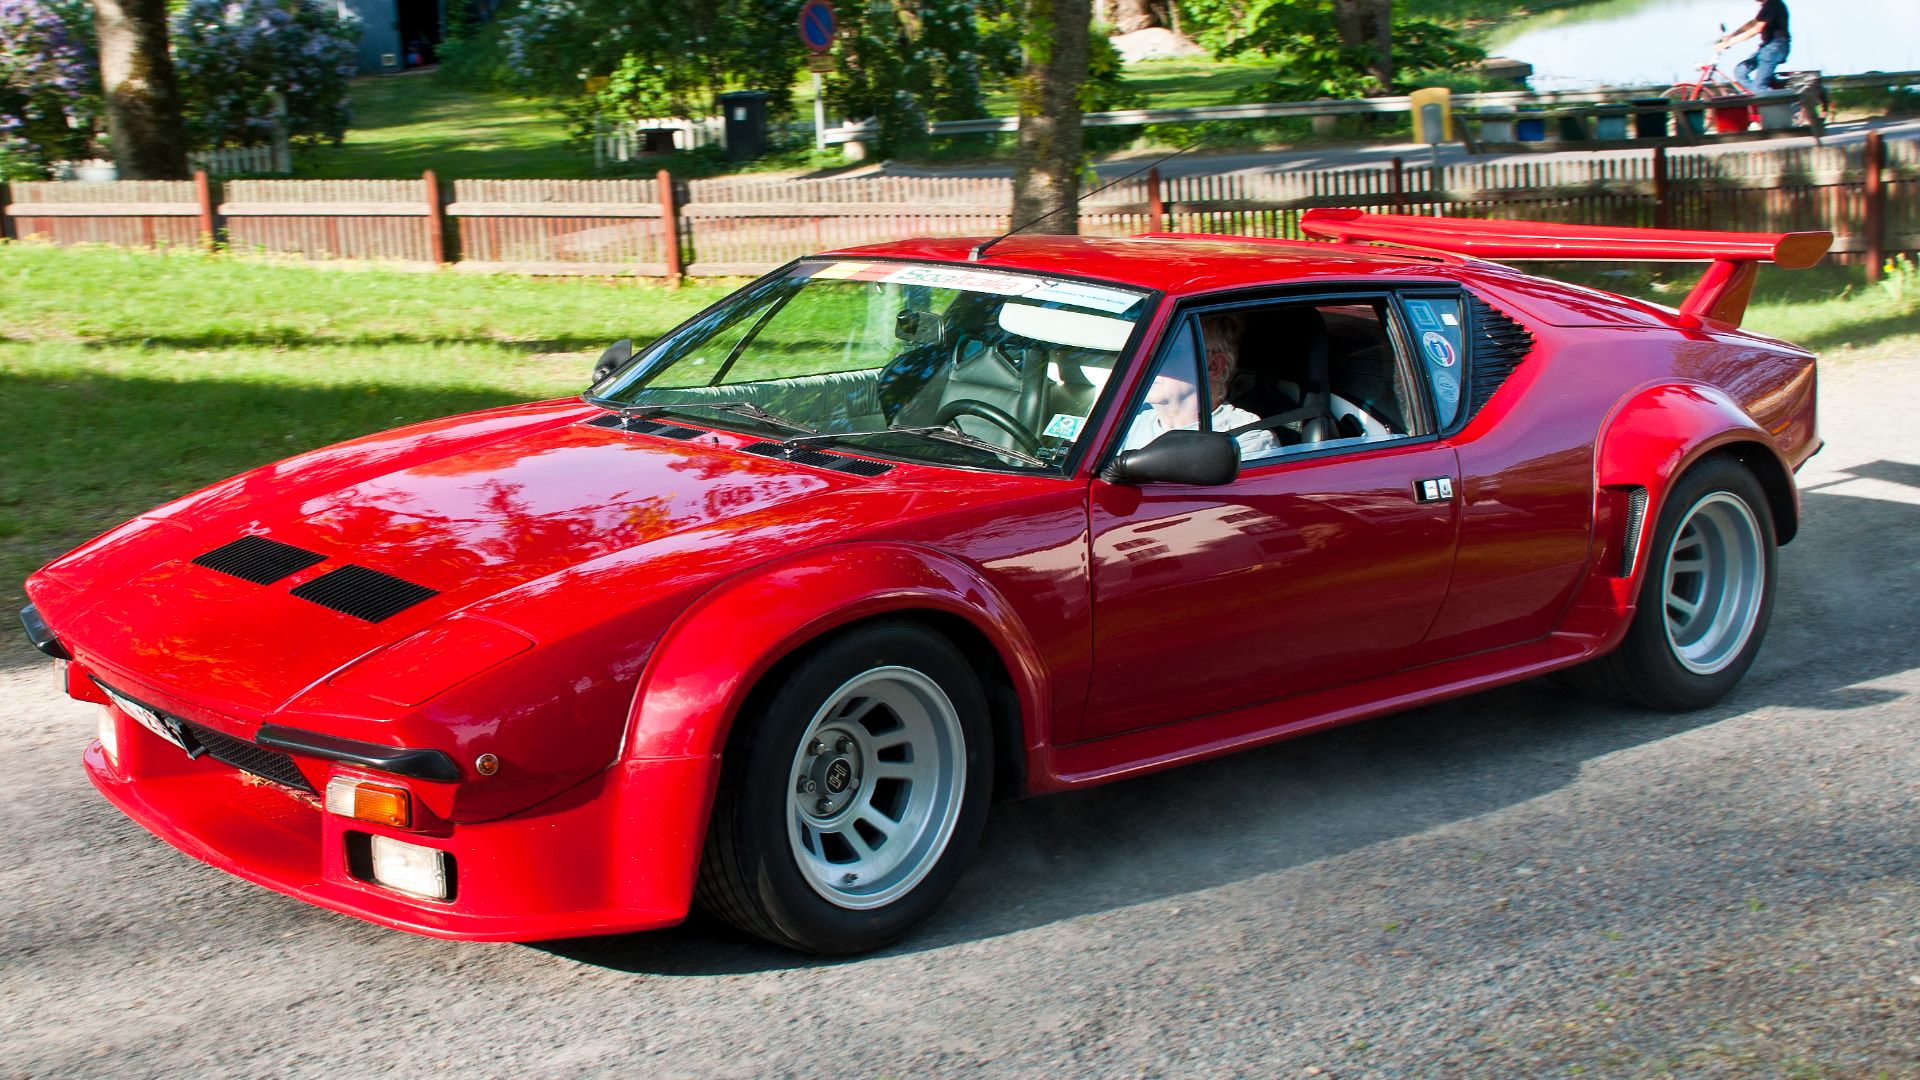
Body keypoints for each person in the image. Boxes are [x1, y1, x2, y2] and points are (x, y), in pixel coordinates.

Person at [1122, 313, 1277, 458]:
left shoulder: (1247, 440)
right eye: (1145, 352)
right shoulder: (1127, 423)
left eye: (1169, 352)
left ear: (1212, 366)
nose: (1146, 363)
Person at [1716, 0, 1790, 95]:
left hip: (1774, 48)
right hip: (1767, 47)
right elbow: (1753, 23)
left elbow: (1757, 29)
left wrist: (1730, 42)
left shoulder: (1772, 4)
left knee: (1759, 88)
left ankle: (1790, 104)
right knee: (1740, 71)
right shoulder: (1767, 6)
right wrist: (1731, 35)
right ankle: (1758, 97)